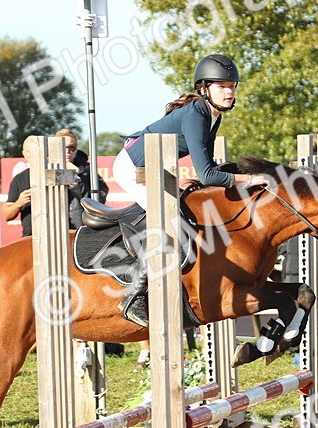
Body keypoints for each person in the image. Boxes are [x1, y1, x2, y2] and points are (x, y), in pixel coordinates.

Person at [111, 53, 272, 325]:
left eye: (232, 86)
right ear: (205, 88)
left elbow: (210, 168)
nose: (229, 92)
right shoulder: (197, 114)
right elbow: (208, 176)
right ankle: (134, 295)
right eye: (222, 86)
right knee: (167, 221)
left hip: (157, 168)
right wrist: (249, 179)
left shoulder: (213, 115)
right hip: (132, 169)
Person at [3, 129, 109, 236]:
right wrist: (19, 203)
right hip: (35, 236)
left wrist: (76, 184)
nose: (67, 151)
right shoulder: (23, 177)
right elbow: (7, 215)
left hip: (76, 235)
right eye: (62, 147)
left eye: (71, 147)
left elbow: (99, 202)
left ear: (76, 149)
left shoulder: (87, 172)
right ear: (52, 148)